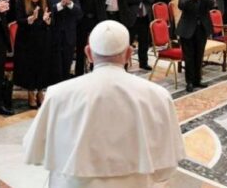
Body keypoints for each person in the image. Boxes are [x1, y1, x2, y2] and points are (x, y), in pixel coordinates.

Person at [23, 20, 184, 188]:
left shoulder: (58, 94)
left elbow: (34, 150)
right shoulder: (158, 96)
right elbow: (165, 168)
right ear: (129, 54)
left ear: (89, 53)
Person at [14, 0, 54, 108]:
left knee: (43, 65)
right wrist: (29, 19)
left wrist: (48, 20)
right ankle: (31, 93)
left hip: (43, 38)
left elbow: (51, 19)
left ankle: (40, 92)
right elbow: (18, 20)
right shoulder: (21, 0)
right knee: (29, 66)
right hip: (26, 39)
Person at [71, 0, 111, 76]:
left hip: (98, 17)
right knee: (80, 46)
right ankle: (79, 74)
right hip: (82, 18)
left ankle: (97, 72)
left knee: (98, 47)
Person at [176, 0, 213, 92]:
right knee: (189, 56)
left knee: (199, 55)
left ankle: (198, 80)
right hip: (187, 29)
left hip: (201, 28)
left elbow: (211, 4)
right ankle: (190, 82)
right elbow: (182, 5)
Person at [45, 0, 82, 81]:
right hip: (53, 34)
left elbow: (79, 12)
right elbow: (48, 11)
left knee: (67, 63)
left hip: (69, 34)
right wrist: (61, 4)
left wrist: (69, 3)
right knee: (55, 65)